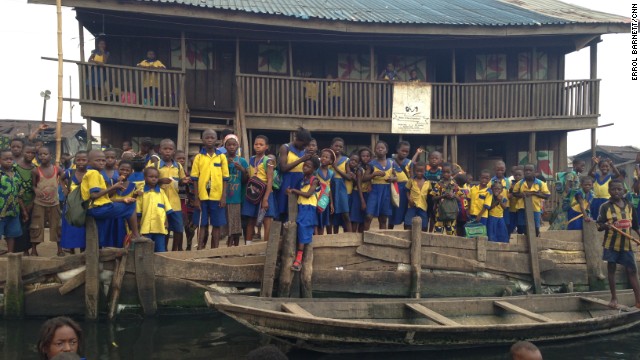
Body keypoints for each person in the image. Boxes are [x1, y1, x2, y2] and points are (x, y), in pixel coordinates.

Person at [596, 179, 640, 308]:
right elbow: (599, 226)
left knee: (632, 271)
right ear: (609, 191)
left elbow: (636, 226)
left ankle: (638, 301)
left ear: (624, 191)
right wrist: (606, 226)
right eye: (613, 189)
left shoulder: (630, 206)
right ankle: (614, 298)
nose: (616, 192)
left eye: (619, 189)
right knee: (611, 270)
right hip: (611, 245)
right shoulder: (605, 207)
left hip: (627, 245)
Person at [82, 150, 140, 247]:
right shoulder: (94, 174)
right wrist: (114, 187)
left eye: (103, 160)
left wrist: (122, 200)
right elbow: (94, 195)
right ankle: (135, 234)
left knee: (127, 203)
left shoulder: (93, 173)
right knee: (131, 205)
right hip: (97, 209)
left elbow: (103, 199)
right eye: (97, 160)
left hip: (96, 207)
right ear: (89, 161)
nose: (101, 163)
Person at [191, 129, 228, 249]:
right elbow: (195, 179)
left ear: (216, 140)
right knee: (202, 224)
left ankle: (214, 250)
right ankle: (200, 249)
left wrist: (223, 197)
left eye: (212, 137)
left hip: (217, 196)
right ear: (203, 140)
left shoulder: (221, 157)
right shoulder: (198, 157)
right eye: (207, 137)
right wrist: (196, 198)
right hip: (202, 196)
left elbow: (225, 178)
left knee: (216, 225)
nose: (210, 140)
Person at [242, 135, 277, 245]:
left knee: (267, 221)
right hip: (253, 192)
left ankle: (265, 248)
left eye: (261, 145)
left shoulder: (269, 161)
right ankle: (248, 246)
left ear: (266, 147)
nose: (258, 146)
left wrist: (266, 198)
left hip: (265, 193)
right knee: (251, 219)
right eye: (256, 144)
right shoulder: (251, 159)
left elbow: (270, 180)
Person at [155, 139, 188, 251]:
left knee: (178, 228)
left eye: (170, 149)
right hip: (160, 203)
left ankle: (174, 250)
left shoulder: (178, 166)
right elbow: (148, 181)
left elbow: (182, 180)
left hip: (175, 202)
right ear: (160, 150)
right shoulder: (155, 165)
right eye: (165, 149)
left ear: (174, 151)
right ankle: (164, 250)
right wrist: (160, 181)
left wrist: (184, 181)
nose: (167, 151)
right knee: (164, 229)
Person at [289, 157, 320, 271]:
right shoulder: (303, 179)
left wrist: (294, 190)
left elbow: (307, 194)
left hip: (309, 207)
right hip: (301, 207)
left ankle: (299, 259)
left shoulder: (314, 180)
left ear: (314, 169)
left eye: (309, 166)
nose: (305, 167)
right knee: (300, 229)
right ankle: (298, 257)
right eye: (304, 165)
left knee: (303, 229)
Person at [30, 147, 63, 256]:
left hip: (54, 203)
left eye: (45, 154)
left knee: (57, 225)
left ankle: (59, 249)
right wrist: (36, 190)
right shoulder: (35, 171)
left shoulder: (57, 169)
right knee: (36, 225)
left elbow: (64, 179)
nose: (42, 156)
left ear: (51, 156)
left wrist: (65, 188)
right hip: (39, 203)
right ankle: (34, 250)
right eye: (40, 154)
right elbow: (33, 186)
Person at [276, 127, 312, 221]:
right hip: (287, 181)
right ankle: (281, 233)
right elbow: (283, 168)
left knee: (296, 210)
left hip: (300, 181)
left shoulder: (304, 151)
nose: (304, 147)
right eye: (303, 144)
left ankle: (293, 234)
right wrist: (301, 160)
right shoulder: (285, 148)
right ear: (298, 140)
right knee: (283, 209)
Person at [137, 167, 173, 252]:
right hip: (146, 227)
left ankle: (160, 265)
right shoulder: (141, 192)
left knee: (160, 250)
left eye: (156, 177)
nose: (154, 179)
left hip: (160, 226)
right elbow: (138, 212)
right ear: (145, 178)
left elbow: (166, 209)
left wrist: (166, 222)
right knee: (145, 250)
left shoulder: (161, 192)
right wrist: (138, 226)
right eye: (151, 176)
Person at [364, 141, 397, 231]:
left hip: (386, 191)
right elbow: (364, 178)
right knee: (368, 216)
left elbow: (396, 176)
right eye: (378, 148)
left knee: (383, 218)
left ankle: (382, 239)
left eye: (382, 148)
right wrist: (374, 174)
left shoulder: (391, 162)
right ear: (375, 151)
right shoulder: (372, 164)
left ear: (387, 150)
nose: (380, 149)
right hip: (374, 190)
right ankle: (365, 237)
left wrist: (392, 179)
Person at [60, 151, 89, 253]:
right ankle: (71, 249)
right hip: (71, 206)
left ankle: (83, 250)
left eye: (84, 160)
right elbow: (61, 179)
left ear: (88, 161)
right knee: (70, 228)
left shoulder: (90, 173)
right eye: (78, 160)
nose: (81, 162)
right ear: (75, 161)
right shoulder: (70, 172)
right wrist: (64, 189)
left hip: (84, 206)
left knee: (83, 230)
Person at [513, 164, 551, 237]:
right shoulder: (520, 183)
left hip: (535, 209)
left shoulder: (540, 183)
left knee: (535, 228)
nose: (528, 172)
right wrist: (521, 194)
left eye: (530, 170)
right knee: (521, 228)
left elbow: (547, 195)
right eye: (526, 170)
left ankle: (535, 243)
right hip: (522, 209)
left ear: (535, 172)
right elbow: (515, 193)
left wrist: (534, 193)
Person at [224, 134, 248, 247]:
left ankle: (236, 247)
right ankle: (228, 247)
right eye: (229, 145)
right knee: (227, 224)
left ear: (238, 146)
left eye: (234, 145)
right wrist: (225, 165)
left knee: (236, 224)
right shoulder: (222, 159)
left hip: (237, 197)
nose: (232, 147)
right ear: (225, 146)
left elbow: (245, 180)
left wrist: (242, 170)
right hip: (224, 196)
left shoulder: (242, 161)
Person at [109, 159, 138, 248]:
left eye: (127, 170)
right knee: (112, 238)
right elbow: (108, 197)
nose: (124, 172)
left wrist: (136, 195)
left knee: (124, 239)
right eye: (122, 169)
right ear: (118, 169)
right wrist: (117, 184)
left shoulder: (133, 186)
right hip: (113, 215)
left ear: (131, 172)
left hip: (126, 219)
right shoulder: (111, 182)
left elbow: (134, 202)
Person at [13, 142, 36, 253]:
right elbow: (15, 190)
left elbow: (37, 188)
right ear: (23, 152)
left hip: (31, 202)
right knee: (18, 226)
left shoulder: (36, 169)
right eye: (27, 152)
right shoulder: (15, 168)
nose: (30, 155)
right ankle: (17, 250)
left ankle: (27, 249)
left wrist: (31, 204)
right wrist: (23, 208)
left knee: (29, 227)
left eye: (33, 153)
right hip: (17, 202)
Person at [431, 163, 463, 235]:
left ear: (452, 173)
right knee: (438, 235)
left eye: (448, 172)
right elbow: (433, 198)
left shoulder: (455, 185)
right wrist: (443, 196)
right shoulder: (438, 184)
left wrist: (453, 195)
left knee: (451, 234)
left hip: (452, 214)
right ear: (441, 173)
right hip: (439, 214)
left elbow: (460, 198)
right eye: (444, 172)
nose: (446, 174)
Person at [329, 138, 352, 233]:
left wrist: (336, 168)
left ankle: (351, 237)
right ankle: (331, 237)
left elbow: (349, 176)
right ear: (331, 147)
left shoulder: (346, 160)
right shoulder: (328, 158)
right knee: (331, 214)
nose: (338, 148)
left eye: (341, 147)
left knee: (345, 213)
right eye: (336, 146)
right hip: (330, 188)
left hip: (342, 189)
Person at [0, 149, 21, 254]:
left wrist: (24, 211)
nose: (8, 161)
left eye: (10, 159)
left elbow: (19, 193)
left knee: (11, 234)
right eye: (5, 159)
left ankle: (10, 254)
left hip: (13, 210)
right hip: (0, 211)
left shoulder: (16, 174)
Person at [389, 141, 411, 230]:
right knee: (393, 211)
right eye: (403, 151)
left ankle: (406, 233)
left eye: (407, 152)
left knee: (406, 212)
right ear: (397, 150)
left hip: (406, 189)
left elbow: (412, 177)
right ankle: (389, 231)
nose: (404, 153)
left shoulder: (409, 163)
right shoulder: (390, 161)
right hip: (395, 188)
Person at [175, 150, 194, 250]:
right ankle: (179, 247)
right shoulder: (174, 171)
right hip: (175, 200)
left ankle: (186, 246)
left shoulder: (186, 173)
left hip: (184, 202)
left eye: (183, 159)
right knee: (179, 225)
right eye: (179, 158)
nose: (181, 160)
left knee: (185, 225)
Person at [404, 161, 430, 231]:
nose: (419, 173)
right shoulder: (411, 180)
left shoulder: (427, 182)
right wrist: (409, 199)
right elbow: (406, 190)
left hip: (423, 206)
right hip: (412, 205)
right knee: (407, 223)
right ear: (415, 171)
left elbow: (430, 194)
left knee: (424, 225)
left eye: (421, 171)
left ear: (425, 171)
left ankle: (422, 240)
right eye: (417, 171)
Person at [351, 147, 372, 233]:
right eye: (363, 156)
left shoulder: (370, 167)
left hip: (367, 193)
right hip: (358, 193)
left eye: (367, 156)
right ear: (360, 157)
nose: (365, 158)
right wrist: (362, 200)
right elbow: (359, 185)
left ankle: (360, 238)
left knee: (364, 218)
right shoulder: (359, 169)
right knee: (355, 218)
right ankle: (353, 238)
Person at [315, 148, 335, 235]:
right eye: (322, 156)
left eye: (327, 157)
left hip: (325, 199)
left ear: (331, 161)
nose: (324, 158)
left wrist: (331, 203)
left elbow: (329, 188)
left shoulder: (331, 173)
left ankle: (320, 237)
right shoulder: (316, 170)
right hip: (316, 198)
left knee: (323, 220)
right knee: (316, 220)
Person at [508, 166, 524, 234]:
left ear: (523, 175)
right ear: (513, 176)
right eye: (516, 175)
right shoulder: (511, 184)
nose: (517, 176)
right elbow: (509, 194)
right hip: (512, 208)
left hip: (521, 208)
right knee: (511, 225)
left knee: (521, 225)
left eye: (519, 175)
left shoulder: (524, 184)